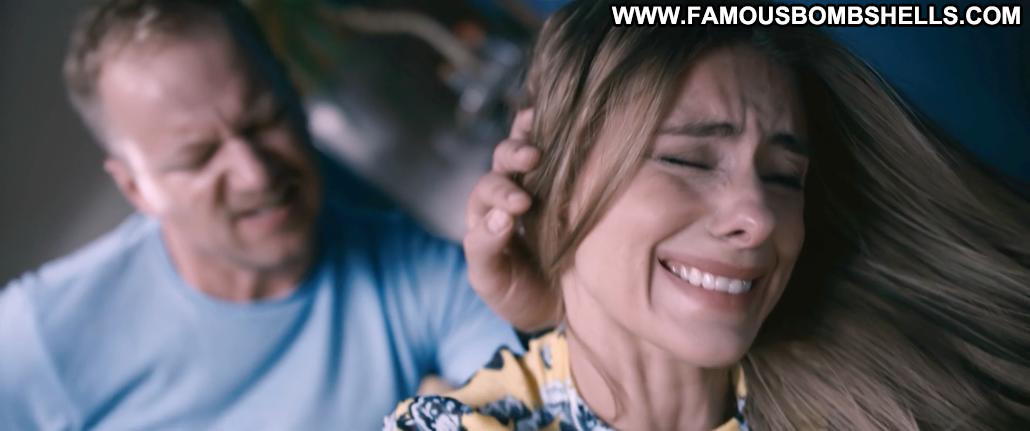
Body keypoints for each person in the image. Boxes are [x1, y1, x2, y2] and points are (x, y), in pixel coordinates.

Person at [389, 0, 1030, 429]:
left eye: (784, 177)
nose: (759, 216)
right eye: (688, 160)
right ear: (551, 185)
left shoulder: (874, 391)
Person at [0, 1, 523, 429]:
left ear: (294, 95)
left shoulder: (417, 271)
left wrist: (527, 289)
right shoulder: (37, 336)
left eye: (266, 119)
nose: (255, 174)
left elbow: (529, 396)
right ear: (137, 189)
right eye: (199, 157)